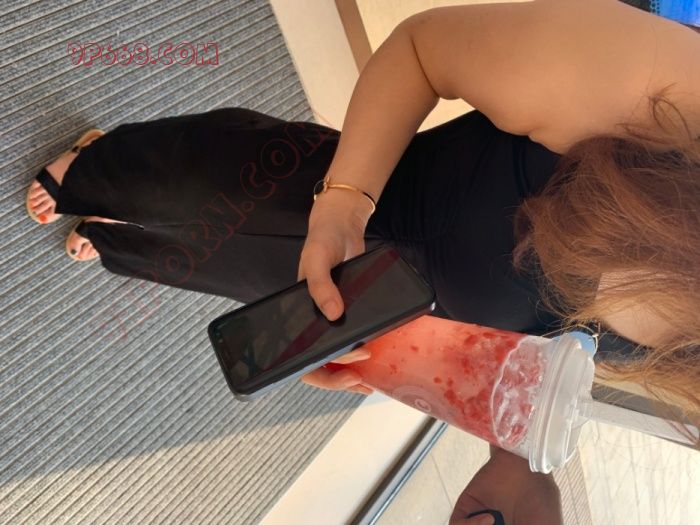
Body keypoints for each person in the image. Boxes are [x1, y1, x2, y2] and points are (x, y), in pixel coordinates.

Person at [25, 1, 699, 523]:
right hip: (353, 184)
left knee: (217, 270)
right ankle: (94, 165)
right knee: (191, 180)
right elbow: (424, 51)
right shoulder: (678, 97)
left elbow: (547, 344)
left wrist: (517, 460)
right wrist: (344, 203)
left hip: (372, 306)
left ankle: (116, 241)